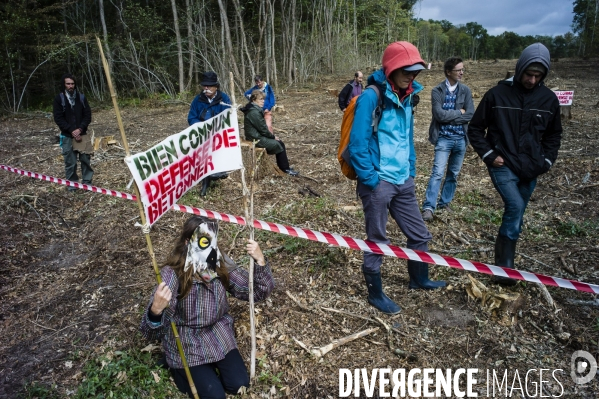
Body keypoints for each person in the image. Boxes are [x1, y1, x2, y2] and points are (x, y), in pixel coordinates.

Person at [348, 41, 446, 315]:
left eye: (415, 71)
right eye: (406, 70)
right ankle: (375, 294)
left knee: (419, 233)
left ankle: (419, 278)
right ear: (391, 69)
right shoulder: (371, 96)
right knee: (377, 239)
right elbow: (357, 143)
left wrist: (411, 169)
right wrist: (371, 180)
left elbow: (407, 136)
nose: (411, 76)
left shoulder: (409, 94)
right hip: (378, 181)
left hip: (403, 179)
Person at [140, 216, 275, 399]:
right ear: (188, 242)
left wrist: (260, 261)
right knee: (215, 396)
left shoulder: (219, 261)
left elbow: (254, 292)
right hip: (188, 340)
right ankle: (176, 367)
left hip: (218, 332)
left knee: (239, 385)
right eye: (203, 242)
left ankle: (208, 368)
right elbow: (152, 332)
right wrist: (156, 310)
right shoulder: (172, 274)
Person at [468, 43, 562, 285]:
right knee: (514, 205)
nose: (531, 80)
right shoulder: (496, 95)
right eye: (528, 74)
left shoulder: (549, 100)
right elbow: (476, 129)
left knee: (517, 211)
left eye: (537, 75)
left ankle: (504, 259)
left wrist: (547, 161)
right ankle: (505, 266)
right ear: (519, 69)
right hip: (503, 163)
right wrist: (489, 155)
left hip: (532, 167)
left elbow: (553, 136)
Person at [421, 57, 474, 221]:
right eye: (458, 70)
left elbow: (470, 114)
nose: (462, 73)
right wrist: (460, 113)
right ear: (448, 72)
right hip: (443, 138)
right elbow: (439, 115)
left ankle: (445, 203)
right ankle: (429, 207)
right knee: (437, 172)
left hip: (461, 139)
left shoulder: (465, 91)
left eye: (462, 69)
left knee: (453, 173)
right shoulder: (437, 91)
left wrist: (451, 116)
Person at [188, 71, 232, 196]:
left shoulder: (224, 98)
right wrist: (200, 126)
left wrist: (216, 128)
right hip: (202, 133)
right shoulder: (198, 100)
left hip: (219, 133)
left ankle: (219, 171)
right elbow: (191, 117)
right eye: (204, 86)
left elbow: (227, 115)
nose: (206, 88)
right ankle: (205, 180)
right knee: (202, 150)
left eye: (209, 86)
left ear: (216, 86)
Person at [241, 90, 299, 176]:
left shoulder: (254, 109)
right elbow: (263, 129)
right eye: (260, 99)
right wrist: (272, 137)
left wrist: (271, 136)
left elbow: (262, 128)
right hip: (255, 139)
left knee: (280, 143)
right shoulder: (253, 112)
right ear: (253, 100)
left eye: (263, 99)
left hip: (257, 136)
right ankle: (285, 169)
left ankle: (284, 167)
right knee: (278, 144)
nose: (263, 101)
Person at [53, 73, 93, 191]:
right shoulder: (59, 99)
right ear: (64, 84)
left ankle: (87, 184)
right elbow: (58, 118)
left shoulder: (81, 98)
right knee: (70, 163)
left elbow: (87, 115)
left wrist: (80, 129)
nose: (70, 86)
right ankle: (72, 185)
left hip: (83, 135)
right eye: (68, 84)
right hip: (67, 136)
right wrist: (71, 130)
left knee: (85, 160)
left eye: (72, 84)